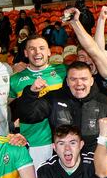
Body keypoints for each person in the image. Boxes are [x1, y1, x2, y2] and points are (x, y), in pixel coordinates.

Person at [12, 59, 107, 156]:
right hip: (62, 161)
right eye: (73, 79)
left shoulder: (105, 103)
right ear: (67, 81)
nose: (79, 83)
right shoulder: (54, 98)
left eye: (84, 79)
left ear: (92, 81)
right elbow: (28, 115)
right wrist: (31, 93)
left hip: (95, 162)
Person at [8, 34, 67, 167]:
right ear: (26, 53)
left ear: (49, 51)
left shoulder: (62, 71)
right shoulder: (15, 79)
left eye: (41, 48)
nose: (37, 52)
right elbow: (3, 104)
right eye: (32, 49)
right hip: (32, 143)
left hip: (62, 141)